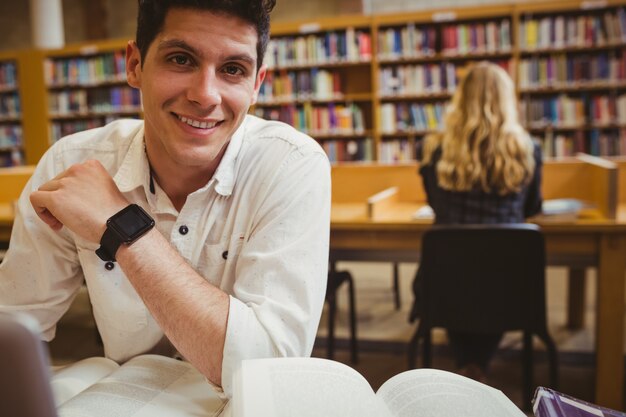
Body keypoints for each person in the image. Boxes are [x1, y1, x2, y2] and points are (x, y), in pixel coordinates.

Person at [0, 0, 331, 397]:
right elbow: (14, 321)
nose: (206, 96)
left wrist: (124, 227)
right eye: (181, 59)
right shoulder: (71, 163)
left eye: (232, 70)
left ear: (257, 84)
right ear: (135, 64)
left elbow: (270, 369)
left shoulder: (291, 164)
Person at [410, 61, 543, 382]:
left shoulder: (434, 150)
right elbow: (532, 207)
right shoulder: (528, 150)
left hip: (444, 284)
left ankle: (468, 363)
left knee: (461, 276)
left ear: (461, 98)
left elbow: (434, 202)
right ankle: (477, 364)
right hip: (510, 287)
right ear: (508, 100)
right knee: (491, 278)